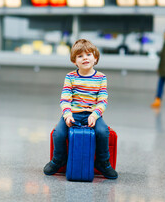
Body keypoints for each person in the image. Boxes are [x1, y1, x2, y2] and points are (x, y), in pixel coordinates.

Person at [43, 39, 118, 179]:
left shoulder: (101, 77)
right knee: (58, 133)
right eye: (80, 56)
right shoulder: (70, 77)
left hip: (92, 114)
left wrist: (95, 115)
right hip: (73, 114)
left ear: (95, 58)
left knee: (102, 132)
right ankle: (58, 159)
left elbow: (102, 101)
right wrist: (67, 115)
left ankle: (103, 162)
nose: (85, 58)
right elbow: (65, 99)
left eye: (88, 55)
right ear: (74, 61)